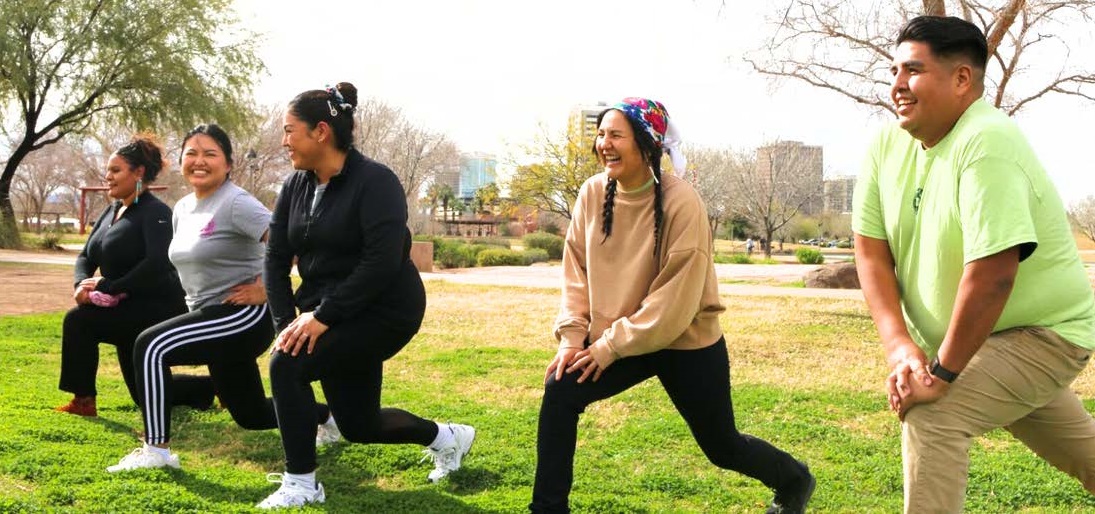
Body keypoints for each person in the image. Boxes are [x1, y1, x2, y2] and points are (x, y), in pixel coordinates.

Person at [852, 16, 1095, 512]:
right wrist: (900, 347)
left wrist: (941, 373)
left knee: (934, 415)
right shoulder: (885, 144)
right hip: (980, 340)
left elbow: (993, 273)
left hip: (1042, 334)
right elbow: (871, 250)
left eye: (912, 71)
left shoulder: (987, 141)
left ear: (962, 79)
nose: (897, 85)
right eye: (893, 72)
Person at [530, 98, 815, 514]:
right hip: (620, 335)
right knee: (561, 391)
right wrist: (572, 339)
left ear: (646, 145)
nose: (603, 144)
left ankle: (794, 480)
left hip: (684, 340)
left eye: (615, 135)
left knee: (721, 446)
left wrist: (608, 347)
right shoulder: (592, 193)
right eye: (600, 134)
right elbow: (576, 269)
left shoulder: (683, 202)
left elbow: (674, 301)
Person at [257, 83, 475, 509]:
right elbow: (275, 258)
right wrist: (287, 323)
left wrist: (323, 318)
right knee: (358, 424)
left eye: (289, 131)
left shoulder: (377, 182)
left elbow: (381, 261)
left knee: (286, 366)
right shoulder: (294, 187)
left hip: (385, 308)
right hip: (328, 310)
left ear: (321, 131)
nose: (284, 142)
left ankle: (301, 484)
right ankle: (448, 438)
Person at [106, 124, 337, 472]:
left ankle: (158, 450)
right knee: (251, 413)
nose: (200, 161)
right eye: (192, 154)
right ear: (182, 161)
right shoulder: (182, 208)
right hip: (211, 314)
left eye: (210, 154)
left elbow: (286, 245)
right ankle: (327, 418)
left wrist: (266, 287)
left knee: (150, 345)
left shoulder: (236, 202)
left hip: (242, 315)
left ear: (228, 164)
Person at [57, 134, 213, 417]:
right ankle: (212, 387)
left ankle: (83, 401)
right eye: (108, 171)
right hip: (123, 307)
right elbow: (86, 256)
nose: (108, 177)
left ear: (138, 173)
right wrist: (81, 285)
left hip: (155, 310)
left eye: (116, 171)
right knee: (144, 397)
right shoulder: (112, 210)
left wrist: (110, 286)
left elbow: (156, 264)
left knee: (78, 321)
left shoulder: (156, 213)